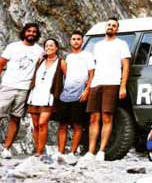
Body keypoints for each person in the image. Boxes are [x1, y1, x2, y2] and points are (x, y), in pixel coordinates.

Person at [0, 23, 44, 159]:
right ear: (24, 32)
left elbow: (39, 70)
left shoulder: (39, 50)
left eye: (34, 32)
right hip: (8, 86)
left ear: (37, 35)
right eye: (29, 31)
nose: (31, 33)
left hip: (25, 89)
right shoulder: (13, 47)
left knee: (16, 118)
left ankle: (7, 148)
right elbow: (0, 65)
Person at [80, 17, 131, 162]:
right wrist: (89, 86)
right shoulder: (98, 45)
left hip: (112, 82)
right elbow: (93, 67)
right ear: (105, 27)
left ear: (117, 29)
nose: (111, 27)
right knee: (93, 118)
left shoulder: (122, 44)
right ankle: (90, 152)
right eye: (109, 25)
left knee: (107, 117)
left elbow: (126, 66)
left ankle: (101, 151)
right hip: (97, 83)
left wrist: (122, 86)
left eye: (114, 25)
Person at [56, 31, 94, 161]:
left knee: (78, 124)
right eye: (74, 39)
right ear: (70, 41)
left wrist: (87, 90)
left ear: (82, 41)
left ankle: (72, 152)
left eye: (78, 39)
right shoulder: (68, 57)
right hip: (66, 94)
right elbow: (66, 75)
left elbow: (91, 75)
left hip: (80, 94)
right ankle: (60, 152)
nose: (76, 41)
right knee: (62, 124)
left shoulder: (87, 56)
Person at [27, 38, 66, 160]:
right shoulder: (40, 61)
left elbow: (67, 78)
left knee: (42, 123)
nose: (48, 48)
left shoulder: (61, 62)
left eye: (51, 45)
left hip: (49, 96)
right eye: (46, 46)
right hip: (35, 94)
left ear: (56, 48)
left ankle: (39, 152)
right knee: (36, 125)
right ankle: (39, 149)